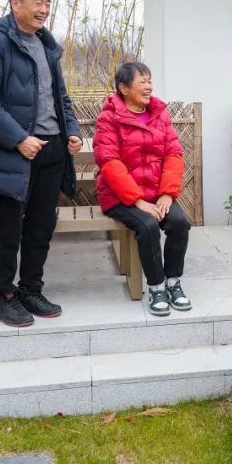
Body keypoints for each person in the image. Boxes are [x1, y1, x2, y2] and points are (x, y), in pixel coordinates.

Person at [0, 0, 84, 327]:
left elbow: (60, 99)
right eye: (38, 2)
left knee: (42, 225)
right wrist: (18, 139)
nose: (44, 9)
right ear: (15, 3)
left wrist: (72, 131)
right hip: (14, 151)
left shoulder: (47, 46)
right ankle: (3, 296)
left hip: (53, 148)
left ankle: (31, 289)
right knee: (8, 226)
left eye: (48, 3)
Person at [94, 62, 192, 317]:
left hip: (157, 193)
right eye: (142, 82)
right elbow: (110, 162)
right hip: (119, 195)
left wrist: (167, 193)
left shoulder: (160, 114)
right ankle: (156, 287)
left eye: (150, 81)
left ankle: (173, 282)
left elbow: (174, 154)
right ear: (124, 88)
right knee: (148, 226)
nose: (149, 86)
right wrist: (137, 200)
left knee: (180, 223)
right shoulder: (109, 119)